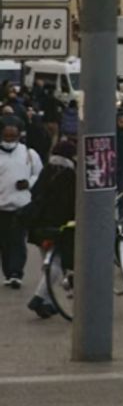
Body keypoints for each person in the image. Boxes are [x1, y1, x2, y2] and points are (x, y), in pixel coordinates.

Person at [25, 140, 77, 319]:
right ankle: (38, 298)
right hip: (59, 227)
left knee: (47, 263)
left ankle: (47, 303)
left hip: (39, 226)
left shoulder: (47, 170)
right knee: (56, 264)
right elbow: (72, 204)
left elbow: (35, 192)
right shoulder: (70, 175)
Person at [0, 118, 43, 289]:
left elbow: (39, 175)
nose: (10, 139)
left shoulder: (29, 154)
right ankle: (8, 272)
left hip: (21, 206)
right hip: (2, 206)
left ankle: (16, 273)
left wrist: (28, 183)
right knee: (5, 242)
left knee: (18, 240)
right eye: (7, 135)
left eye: (13, 135)